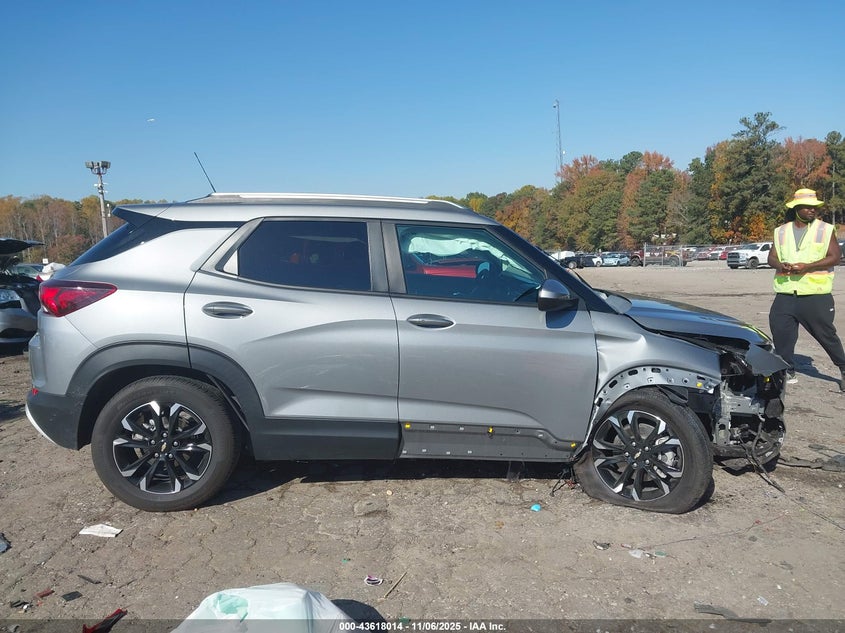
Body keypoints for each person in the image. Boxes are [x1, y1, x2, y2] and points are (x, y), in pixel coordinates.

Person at [767, 188, 845, 391]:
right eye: (807, 207)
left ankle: (843, 367)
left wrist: (807, 267)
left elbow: (835, 257)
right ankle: (787, 369)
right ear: (796, 208)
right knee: (781, 333)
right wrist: (780, 265)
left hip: (815, 294)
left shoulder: (825, 229)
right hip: (785, 293)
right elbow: (771, 257)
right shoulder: (781, 231)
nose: (812, 210)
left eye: (815, 207)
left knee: (826, 335)